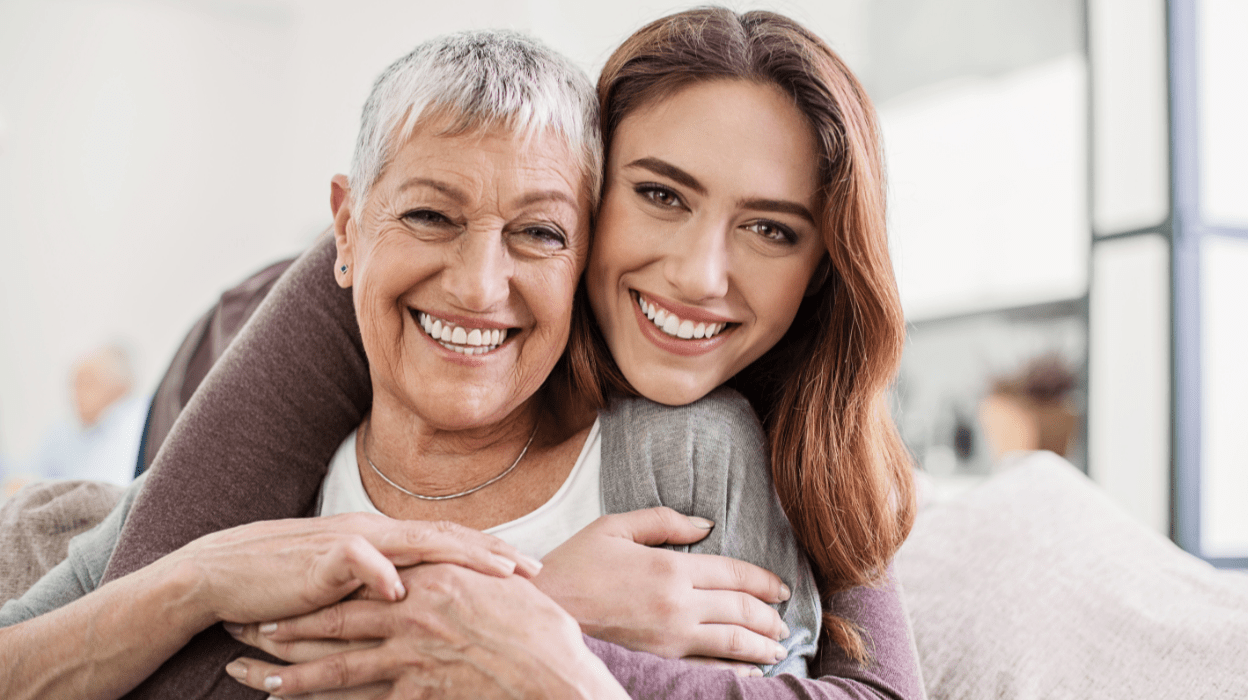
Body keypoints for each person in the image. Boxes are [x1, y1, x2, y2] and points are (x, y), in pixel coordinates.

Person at [109, 8, 922, 699]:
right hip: (215, 350)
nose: (698, 276)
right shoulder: (372, 285)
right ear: (592, 188)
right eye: (660, 194)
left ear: (825, 266)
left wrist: (540, 644)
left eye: (771, 229)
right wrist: (525, 597)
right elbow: (137, 622)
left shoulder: (788, 409)